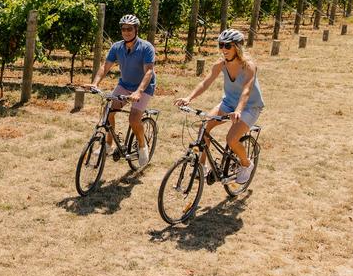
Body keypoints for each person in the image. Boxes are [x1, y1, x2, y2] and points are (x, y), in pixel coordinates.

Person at [175, 28, 264, 184]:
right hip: (229, 102)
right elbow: (205, 82)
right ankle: (201, 166)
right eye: (221, 45)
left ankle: (246, 164)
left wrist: (238, 110)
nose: (223, 49)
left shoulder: (249, 66)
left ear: (237, 46)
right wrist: (189, 98)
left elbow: (246, 90)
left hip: (250, 106)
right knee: (204, 127)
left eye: (227, 46)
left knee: (231, 139)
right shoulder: (220, 64)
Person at [87, 14, 156, 167]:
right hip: (124, 84)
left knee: (133, 119)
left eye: (130, 29)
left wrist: (138, 91)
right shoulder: (117, 47)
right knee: (108, 111)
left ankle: (142, 146)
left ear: (136, 30)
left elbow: (149, 72)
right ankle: (109, 144)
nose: (126, 32)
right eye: (124, 29)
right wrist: (95, 83)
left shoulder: (146, 47)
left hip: (144, 88)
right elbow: (105, 66)